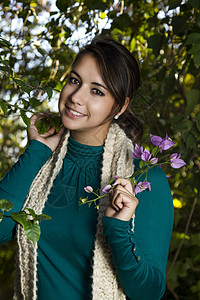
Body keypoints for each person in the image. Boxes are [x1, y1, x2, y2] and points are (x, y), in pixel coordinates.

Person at [0, 37, 174, 300]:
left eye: (97, 91)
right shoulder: (41, 161)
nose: (76, 97)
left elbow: (149, 292)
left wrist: (118, 229)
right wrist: (36, 151)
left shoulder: (143, 178)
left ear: (121, 106)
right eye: (74, 80)